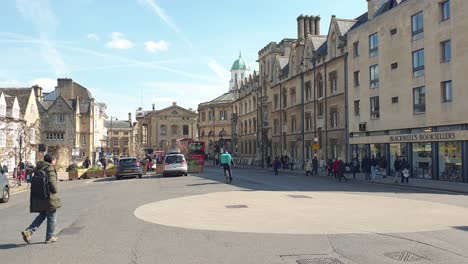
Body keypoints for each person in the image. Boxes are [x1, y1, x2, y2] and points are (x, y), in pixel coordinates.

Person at [21, 154, 62, 244]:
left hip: (40, 196)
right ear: (51, 160)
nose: (55, 161)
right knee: (52, 216)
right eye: (54, 160)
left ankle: (29, 231)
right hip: (49, 196)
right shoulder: (50, 168)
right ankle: (50, 236)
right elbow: (52, 184)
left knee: (42, 215)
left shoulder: (38, 168)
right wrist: (55, 191)